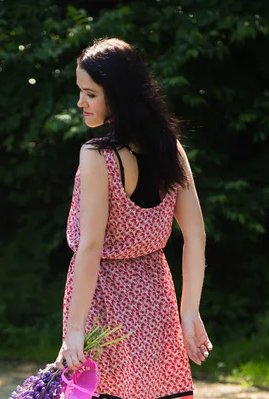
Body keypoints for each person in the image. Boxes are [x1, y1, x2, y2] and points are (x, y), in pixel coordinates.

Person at [54, 38, 213, 399]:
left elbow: (91, 246)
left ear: (118, 95)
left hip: (104, 300)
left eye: (90, 93)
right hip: (157, 297)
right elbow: (196, 236)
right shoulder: (170, 149)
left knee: (98, 391)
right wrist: (189, 311)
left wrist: (75, 329)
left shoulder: (97, 156)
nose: (81, 102)